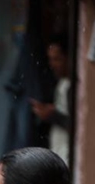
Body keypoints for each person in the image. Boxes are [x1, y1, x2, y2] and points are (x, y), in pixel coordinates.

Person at [30, 35, 70, 164]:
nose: (52, 64)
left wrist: (53, 116)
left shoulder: (73, 87)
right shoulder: (62, 83)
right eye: (50, 60)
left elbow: (79, 126)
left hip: (68, 156)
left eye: (57, 59)